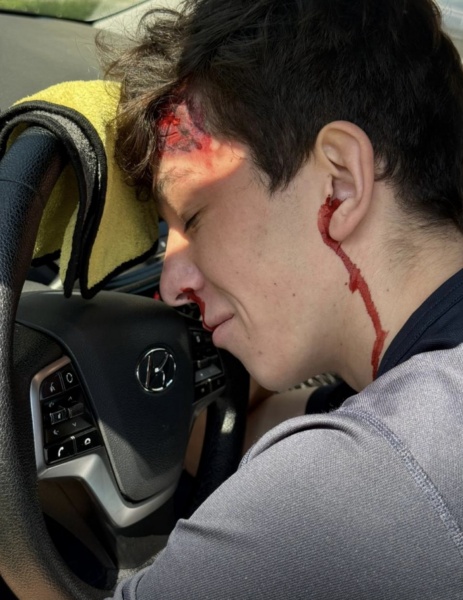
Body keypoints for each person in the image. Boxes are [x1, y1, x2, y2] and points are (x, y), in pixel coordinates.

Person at [106, 0, 463, 597]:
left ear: (340, 184)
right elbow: (239, 433)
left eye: (195, 216)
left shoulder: (362, 483)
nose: (171, 285)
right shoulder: (425, 399)